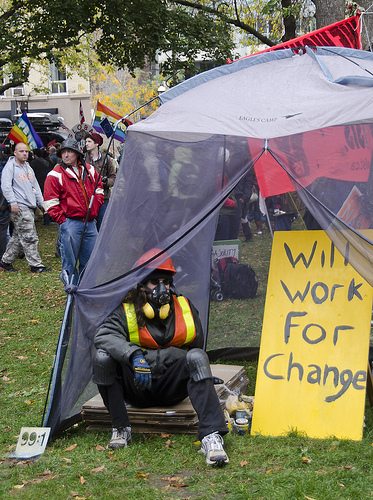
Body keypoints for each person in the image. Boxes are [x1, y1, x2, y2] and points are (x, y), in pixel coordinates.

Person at [92, 249, 229, 466]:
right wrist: (134, 355)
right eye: (154, 282)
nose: (162, 288)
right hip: (136, 388)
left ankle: (211, 435)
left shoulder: (183, 307)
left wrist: (158, 357)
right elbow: (103, 335)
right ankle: (121, 428)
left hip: (171, 387)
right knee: (102, 358)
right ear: (141, 284)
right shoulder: (126, 309)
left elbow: (195, 349)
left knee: (196, 357)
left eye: (165, 281)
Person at [43, 139, 104, 284]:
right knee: (69, 264)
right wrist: (63, 221)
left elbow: (99, 188)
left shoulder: (90, 170)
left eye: (69, 151)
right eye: (63, 152)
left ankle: (85, 292)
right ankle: (71, 293)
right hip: (70, 223)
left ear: (77, 153)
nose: (65, 155)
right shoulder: (55, 174)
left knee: (90, 262)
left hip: (90, 223)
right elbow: (50, 203)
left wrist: (95, 206)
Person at [0, 142, 48, 272]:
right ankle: (36, 265)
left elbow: (36, 187)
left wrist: (42, 203)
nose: (25, 153)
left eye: (26, 151)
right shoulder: (10, 167)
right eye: (21, 151)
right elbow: (6, 186)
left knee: (17, 237)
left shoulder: (28, 167)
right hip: (20, 207)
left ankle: (5, 262)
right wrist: (12, 202)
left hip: (29, 206)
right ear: (15, 152)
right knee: (29, 236)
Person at [85, 132, 116, 230]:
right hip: (87, 198)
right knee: (88, 226)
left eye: (89, 141)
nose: (86, 143)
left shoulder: (107, 160)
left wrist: (105, 182)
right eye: (86, 141)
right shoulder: (82, 159)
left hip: (103, 198)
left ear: (96, 144)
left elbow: (113, 178)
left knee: (102, 225)